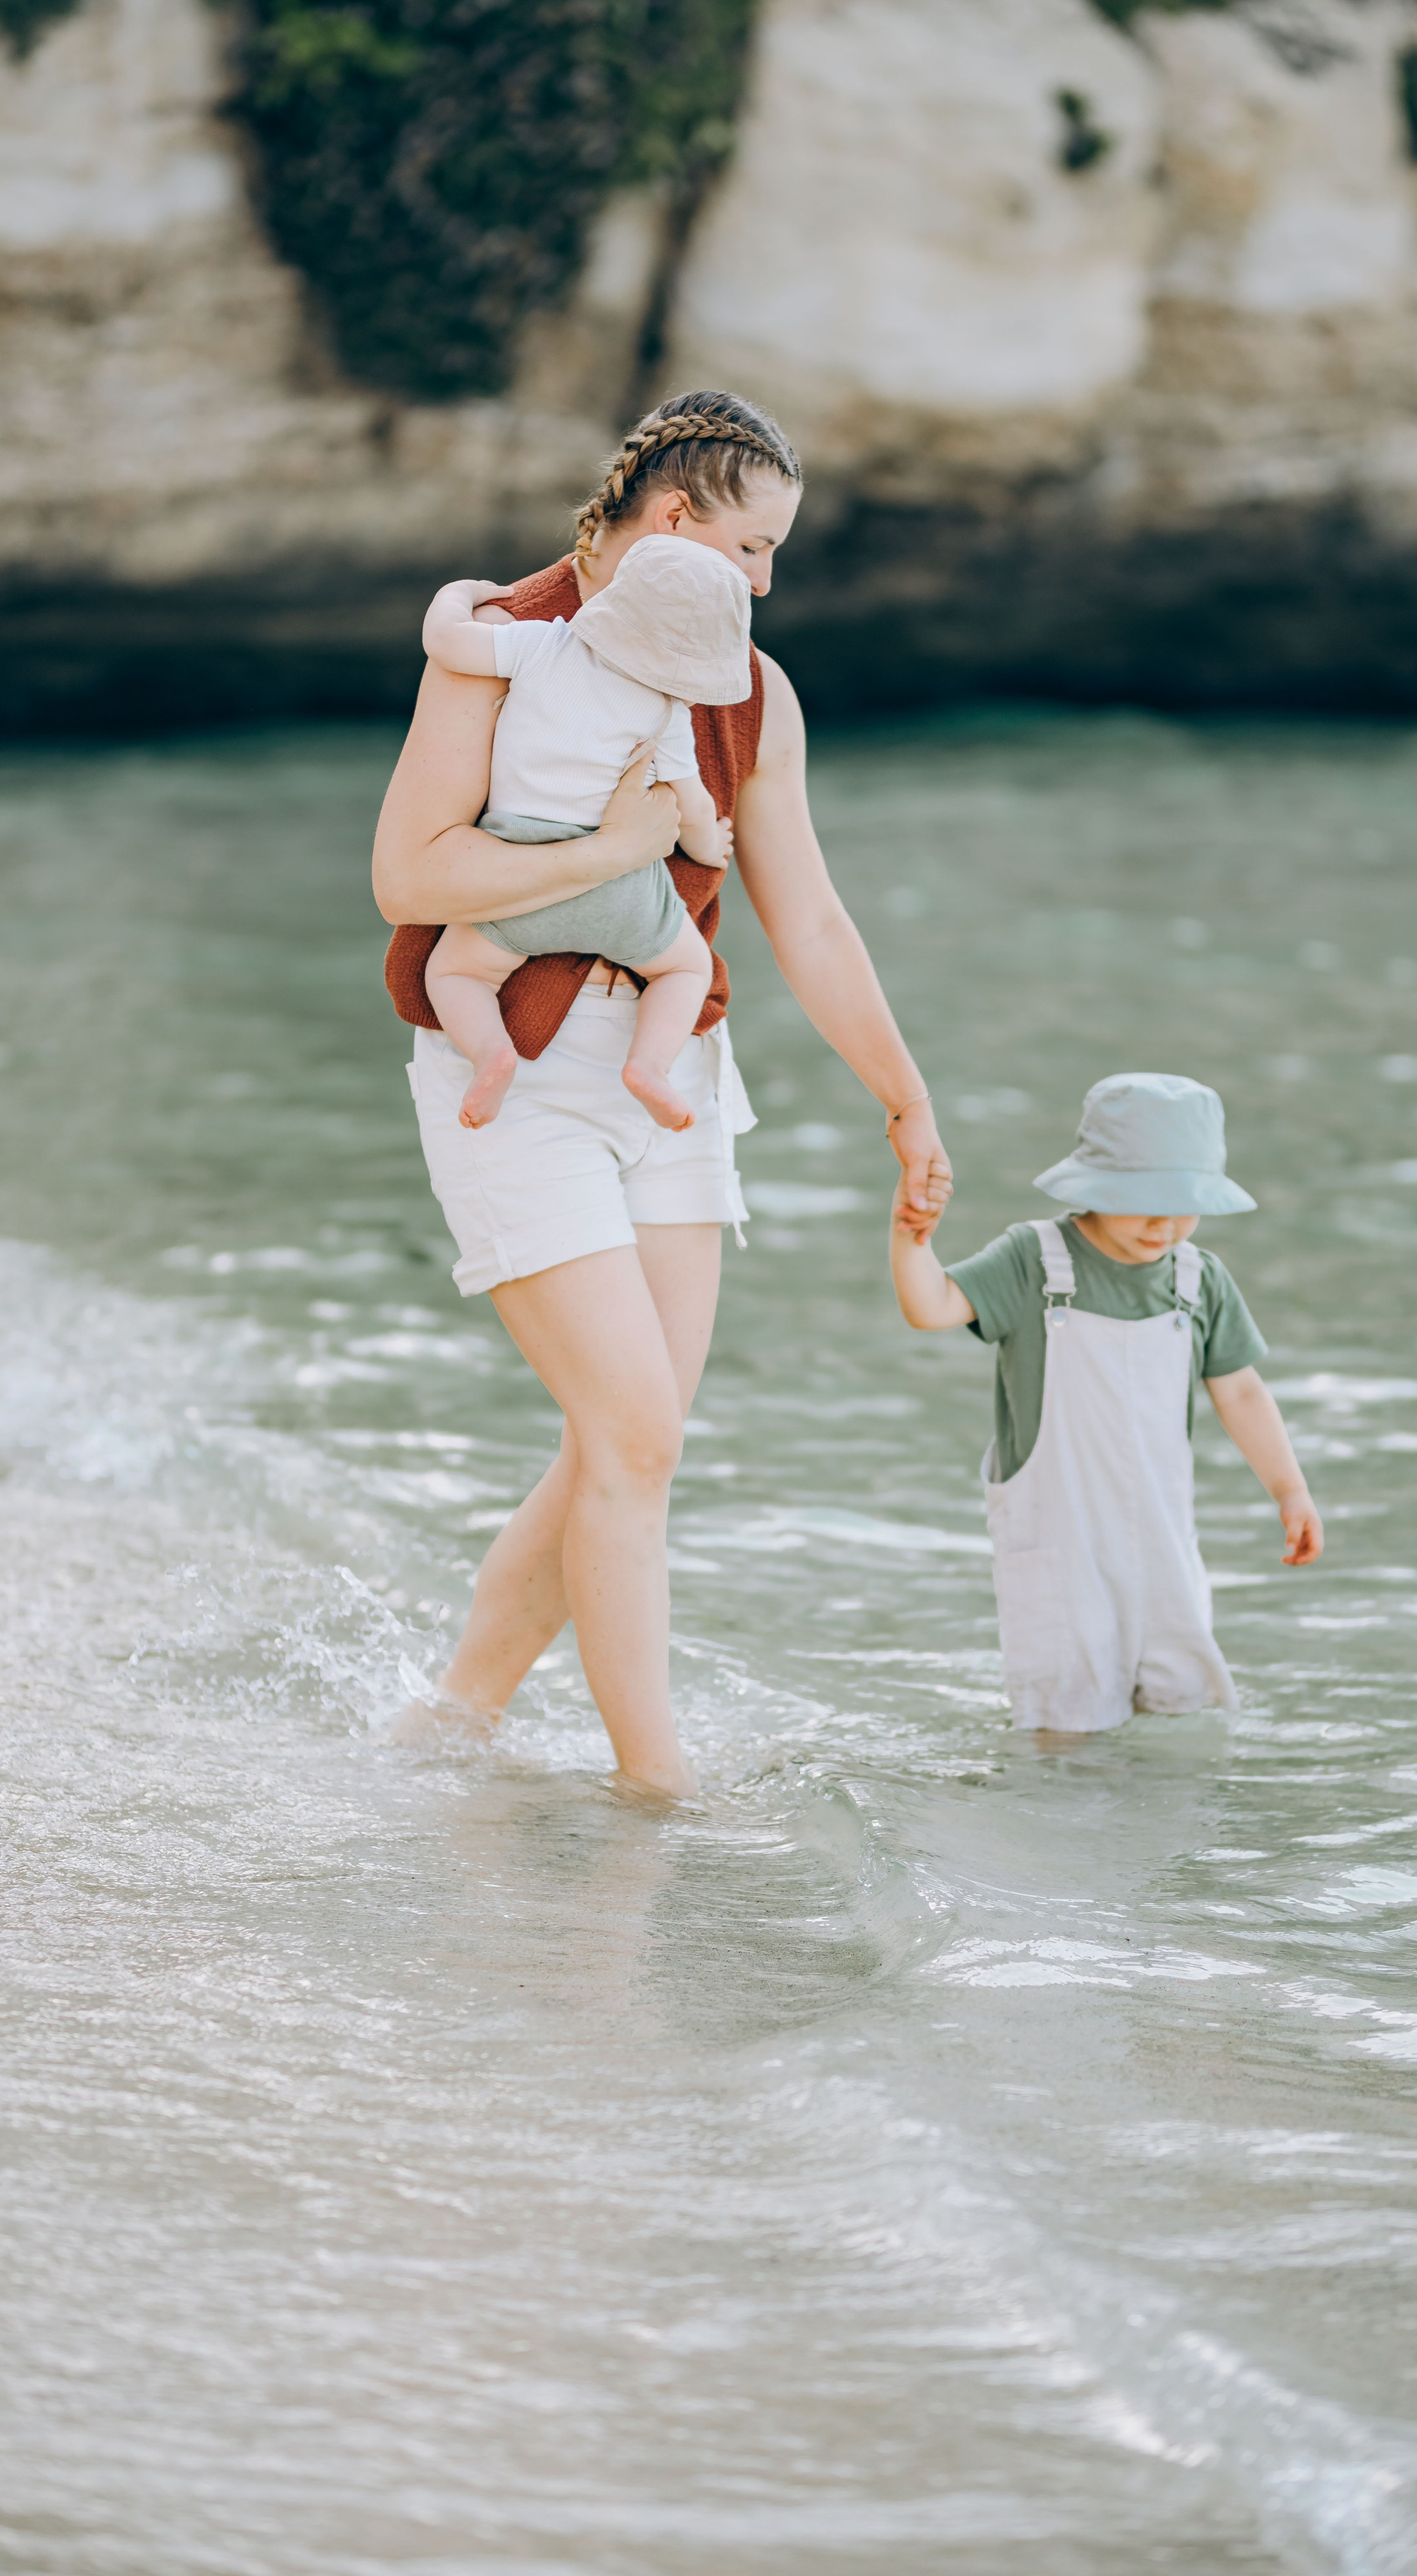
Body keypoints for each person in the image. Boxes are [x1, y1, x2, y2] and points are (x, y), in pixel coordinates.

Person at [373, 390, 952, 1798]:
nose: (764, 586)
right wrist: (617, 846)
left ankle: (455, 1718)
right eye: (754, 551)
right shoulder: (502, 647)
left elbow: (805, 916)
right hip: (509, 1073)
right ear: (677, 519)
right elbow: (410, 877)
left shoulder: (751, 687)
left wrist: (905, 1097)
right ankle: (655, 1787)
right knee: (631, 1432)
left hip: (674, 1071)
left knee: (628, 1442)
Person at [890, 1072, 1321, 1735]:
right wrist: (911, 1240)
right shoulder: (1035, 1260)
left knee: (1183, 1711)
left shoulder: (1197, 1279)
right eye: (1143, 1199)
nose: (1165, 1222)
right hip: (1061, 1545)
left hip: (1163, 1541)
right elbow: (932, 1307)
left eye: (1185, 1202)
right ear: (1093, 1186)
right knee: (1066, 1723)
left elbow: (1240, 1389)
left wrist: (1289, 1490)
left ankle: (1168, 1839)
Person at [417, 536, 748, 1134]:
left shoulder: (542, 645)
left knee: (455, 974)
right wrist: (710, 846)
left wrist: (459, 593)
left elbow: (445, 643)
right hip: (620, 892)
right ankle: (649, 1066)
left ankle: (492, 1054)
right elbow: (690, 805)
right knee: (684, 972)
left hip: (520, 874)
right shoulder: (666, 708)